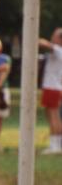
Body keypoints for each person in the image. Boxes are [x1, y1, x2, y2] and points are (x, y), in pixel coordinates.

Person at [39, 27, 62, 155]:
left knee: (53, 116)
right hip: (54, 87)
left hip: (52, 87)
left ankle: (55, 146)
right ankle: (56, 145)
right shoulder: (58, 51)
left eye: (54, 36)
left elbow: (44, 44)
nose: (52, 38)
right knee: (54, 116)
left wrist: (34, 38)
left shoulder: (58, 50)